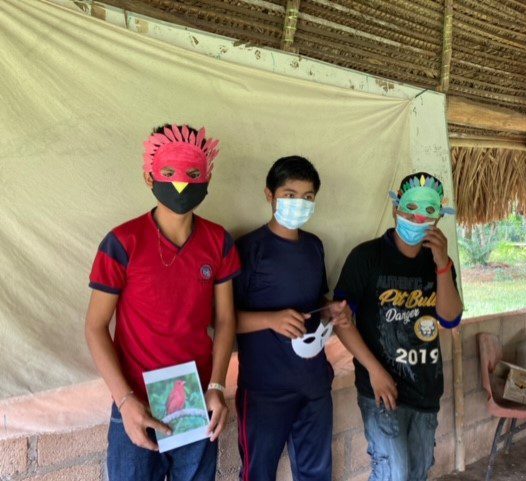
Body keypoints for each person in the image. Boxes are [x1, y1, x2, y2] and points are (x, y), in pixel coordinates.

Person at [85, 124, 239, 481]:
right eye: (168, 172)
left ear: (208, 177)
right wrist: (124, 401)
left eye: (193, 173)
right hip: (135, 400)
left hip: (195, 401)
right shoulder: (121, 242)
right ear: (148, 176)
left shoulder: (219, 242)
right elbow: (94, 327)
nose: (181, 183)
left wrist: (217, 387)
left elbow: (226, 319)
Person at [333, 172, 463, 481]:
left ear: (439, 217)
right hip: (381, 391)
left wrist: (443, 263)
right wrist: (375, 371)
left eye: (429, 211)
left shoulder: (438, 263)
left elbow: (450, 318)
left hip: (426, 388)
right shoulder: (366, 257)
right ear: (395, 209)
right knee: (395, 474)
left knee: (416, 473)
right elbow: (340, 320)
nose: (418, 218)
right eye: (410, 209)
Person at [233, 155, 351, 481]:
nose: (298, 203)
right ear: (269, 195)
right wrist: (271, 320)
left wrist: (332, 311)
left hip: (314, 385)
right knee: (258, 474)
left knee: (316, 473)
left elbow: (317, 301)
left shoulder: (314, 246)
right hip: (264, 391)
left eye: (308, 197)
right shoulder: (248, 249)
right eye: (289, 194)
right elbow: (223, 319)